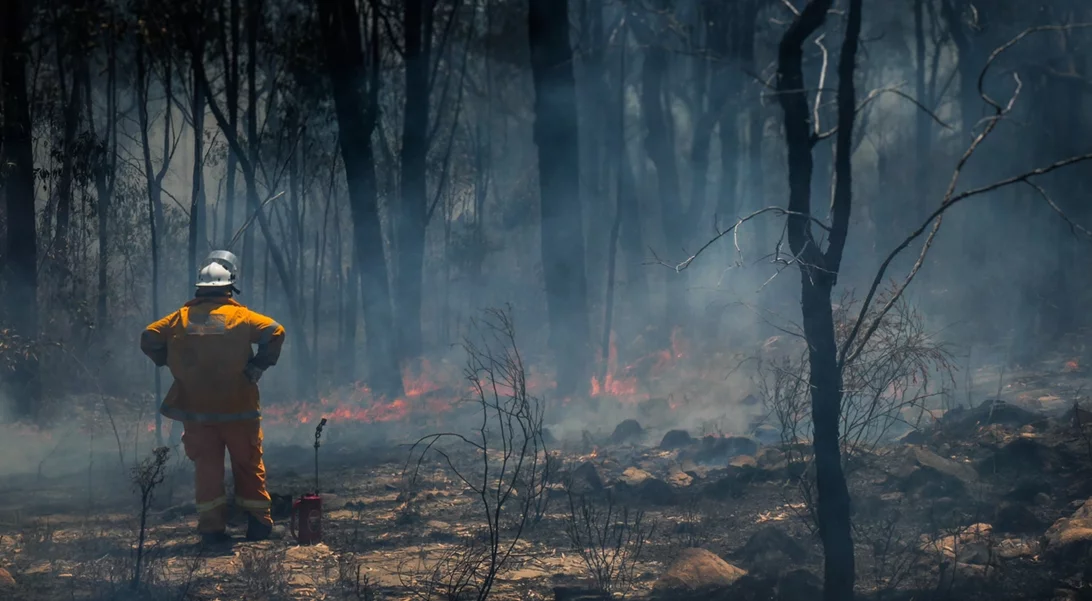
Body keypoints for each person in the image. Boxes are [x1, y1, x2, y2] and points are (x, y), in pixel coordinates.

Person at [140, 251, 286, 544]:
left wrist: (169, 360)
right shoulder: (242, 317)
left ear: (199, 289)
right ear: (229, 288)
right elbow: (275, 331)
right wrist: (258, 365)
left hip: (198, 414)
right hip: (239, 410)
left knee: (207, 472)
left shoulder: (179, 319)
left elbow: (148, 336)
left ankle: (211, 530)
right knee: (248, 466)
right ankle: (258, 526)